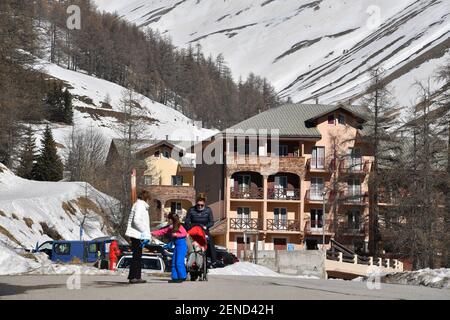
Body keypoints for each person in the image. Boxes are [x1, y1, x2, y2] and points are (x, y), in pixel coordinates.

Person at [152, 213, 188, 283]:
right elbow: (162, 231)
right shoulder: (171, 227)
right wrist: (153, 233)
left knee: (179, 262)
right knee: (174, 262)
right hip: (177, 246)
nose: (168, 220)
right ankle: (175, 277)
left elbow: (185, 234)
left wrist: (176, 234)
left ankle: (182, 276)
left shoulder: (179, 226)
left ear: (172, 219)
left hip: (182, 246)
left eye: (169, 219)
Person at [125, 190, 152, 284]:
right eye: (149, 199)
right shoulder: (140, 205)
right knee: (136, 256)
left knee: (138, 256)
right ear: (146, 198)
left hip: (138, 234)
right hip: (137, 235)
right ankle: (133, 277)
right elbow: (136, 220)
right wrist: (144, 231)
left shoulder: (140, 205)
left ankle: (137, 276)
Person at [185, 194, 218, 266]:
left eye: (202, 205)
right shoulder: (191, 210)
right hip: (193, 229)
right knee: (185, 240)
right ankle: (185, 257)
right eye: (198, 205)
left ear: (204, 204)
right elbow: (187, 221)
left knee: (210, 241)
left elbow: (211, 222)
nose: (200, 207)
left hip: (204, 229)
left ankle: (213, 260)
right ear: (196, 204)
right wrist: (189, 227)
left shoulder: (208, 210)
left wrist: (206, 226)